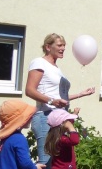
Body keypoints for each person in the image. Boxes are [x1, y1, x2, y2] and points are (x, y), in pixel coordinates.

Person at [25, 33, 96, 165]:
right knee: (46, 161)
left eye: (64, 46)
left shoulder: (57, 69)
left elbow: (60, 98)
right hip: (45, 118)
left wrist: (81, 94)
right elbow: (29, 90)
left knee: (58, 162)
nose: (63, 48)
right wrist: (51, 101)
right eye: (59, 45)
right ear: (48, 47)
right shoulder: (39, 63)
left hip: (58, 119)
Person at [0, 99, 46, 169]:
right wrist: (35, 167)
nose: (31, 117)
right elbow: (25, 164)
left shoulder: (5, 138)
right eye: (28, 115)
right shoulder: (19, 139)